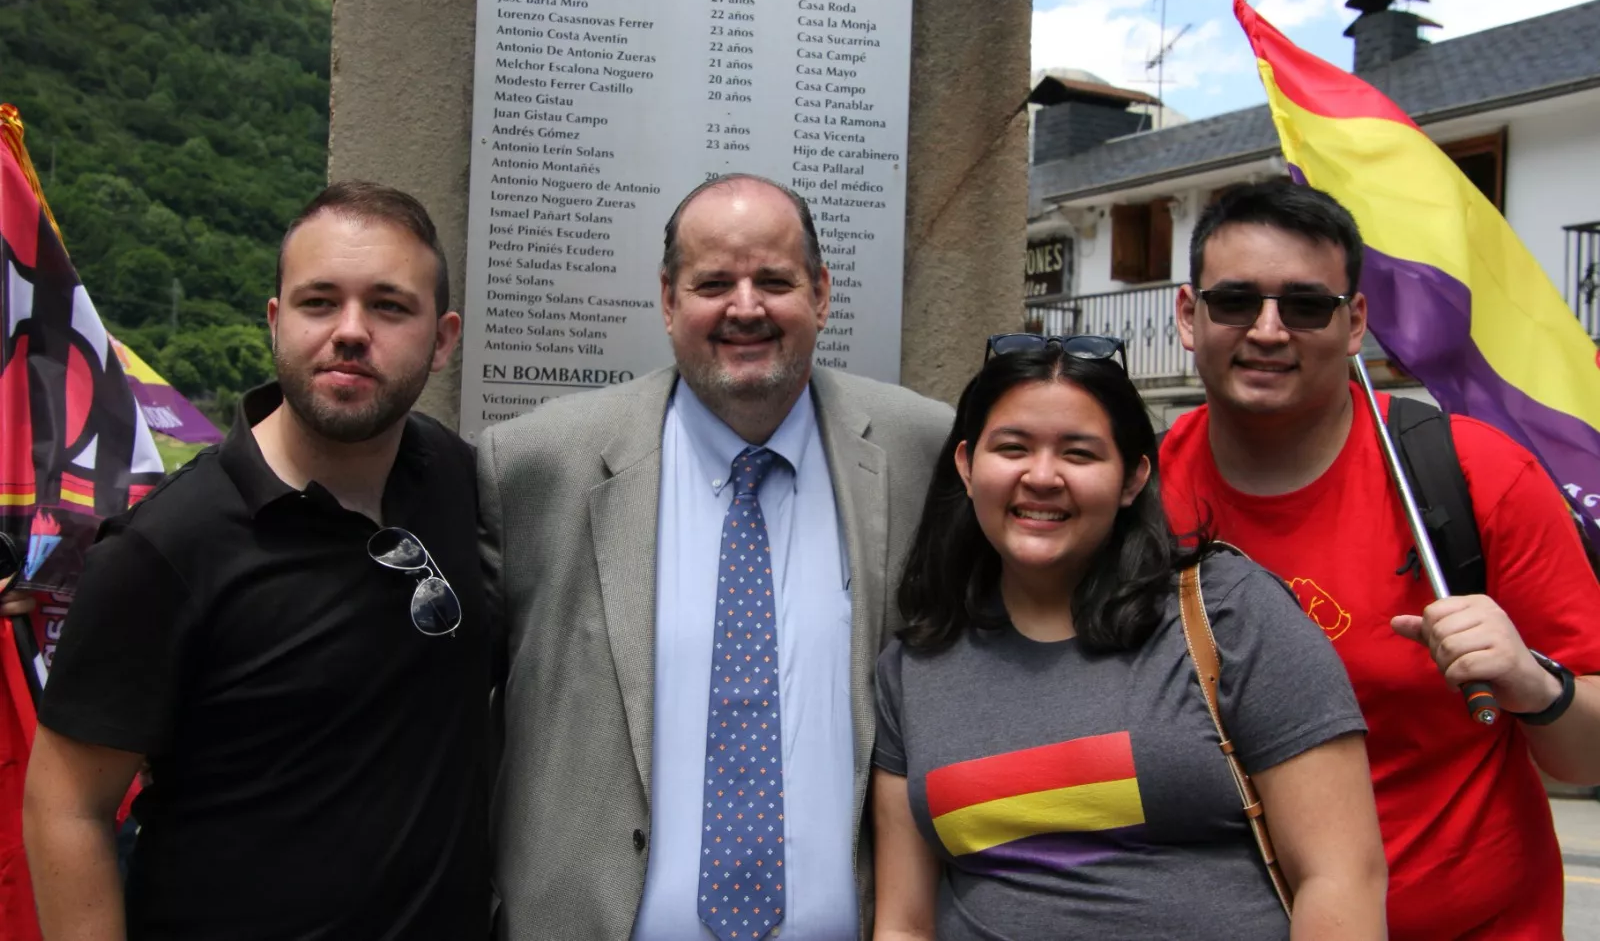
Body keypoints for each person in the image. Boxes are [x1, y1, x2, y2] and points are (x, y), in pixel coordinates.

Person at [478, 173, 953, 940]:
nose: (745, 307)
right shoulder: (537, 467)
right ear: (668, 302)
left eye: (774, 280)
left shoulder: (922, 451)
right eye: (712, 283)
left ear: (822, 295)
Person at [22, 182, 490, 940]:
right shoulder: (166, 549)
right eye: (318, 302)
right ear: (276, 321)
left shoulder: (455, 480)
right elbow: (65, 806)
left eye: (389, 306)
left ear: (443, 338)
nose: (350, 331)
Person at [1161, 179, 1600, 940]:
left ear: (1355, 321)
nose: (1268, 330)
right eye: (1235, 302)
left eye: (1305, 305)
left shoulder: (1474, 478)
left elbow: (1585, 760)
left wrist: (1533, 682)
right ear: (1189, 316)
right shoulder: (1137, 499)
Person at [871, 335, 1387, 940]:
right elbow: (905, 924)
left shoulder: (1228, 615)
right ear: (966, 466)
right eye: (1012, 448)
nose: (1042, 477)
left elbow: (1342, 875)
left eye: (1080, 454)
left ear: (1133, 478)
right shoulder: (914, 667)